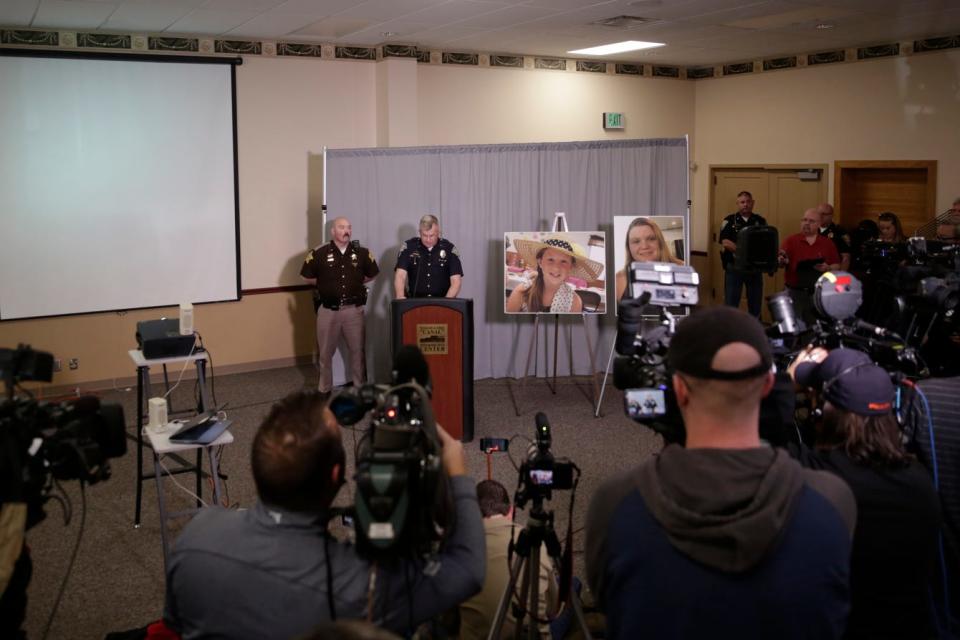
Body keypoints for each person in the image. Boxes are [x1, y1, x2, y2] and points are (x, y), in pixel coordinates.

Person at [585, 306, 856, 640]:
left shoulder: (614, 504)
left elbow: (608, 601)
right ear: (769, 385)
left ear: (680, 390)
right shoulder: (833, 501)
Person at [163, 391, 484, 639]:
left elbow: (174, 625)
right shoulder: (366, 584)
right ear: (336, 475)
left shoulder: (195, 535)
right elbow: (467, 569)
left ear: (257, 467)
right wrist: (456, 471)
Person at [788, 348, 943, 640]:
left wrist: (786, 383)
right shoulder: (920, 482)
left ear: (823, 411)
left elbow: (744, 440)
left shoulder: (813, 476)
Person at [458, 480, 558, 640]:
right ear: (510, 511)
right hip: (532, 635)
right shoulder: (536, 542)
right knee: (570, 585)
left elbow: (445, 616)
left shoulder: (460, 548)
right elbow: (554, 609)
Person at [301, 217, 379, 395]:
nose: (347, 231)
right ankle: (324, 390)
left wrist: (356, 283)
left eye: (349, 227)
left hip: (353, 311)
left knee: (358, 352)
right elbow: (307, 277)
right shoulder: (319, 253)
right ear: (333, 231)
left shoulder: (362, 253)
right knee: (325, 355)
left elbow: (372, 274)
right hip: (329, 311)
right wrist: (325, 285)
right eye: (342, 227)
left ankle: (360, 390)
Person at [506, 236, 603, 313]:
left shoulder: (574, 302)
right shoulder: (522, 292)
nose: (556, 268)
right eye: (550, 260)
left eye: (564, 261)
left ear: (571, 267)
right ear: (540, 262)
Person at [778, 208, 841, 325]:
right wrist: (782, 261)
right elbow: (780, 263)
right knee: (793, 328)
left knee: (814, 328)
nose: (806, 223)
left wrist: (828, 268)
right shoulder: (790, 241)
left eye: (811, 221)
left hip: (817, 293)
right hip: (794, 292)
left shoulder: (827, 243)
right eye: (804, 220)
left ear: (819, 224)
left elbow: (837, 265)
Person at [718, 191, 768, 318]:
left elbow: (765, 243)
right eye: (742, 202)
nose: (745, 204)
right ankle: (730, 331)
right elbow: (726, 242)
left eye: (748, 202)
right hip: (735, 268)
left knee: (755, 303)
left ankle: (753, 331)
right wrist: (745, 252)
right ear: (738, 204)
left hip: (754, 269)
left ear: (753, 203)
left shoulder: (760, 221)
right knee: (731, 303)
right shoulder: (729, 220)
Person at [394, 215, 463, 299]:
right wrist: (400, 298)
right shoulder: (409, 247)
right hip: (414, 303)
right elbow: (400, 275)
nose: (428, 239)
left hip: (443, 301)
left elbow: (456, 282)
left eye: (431, 235)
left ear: (438, 232)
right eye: (424, 235)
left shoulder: (449, 249)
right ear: (419, 232)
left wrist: (445, 305)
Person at [615, 217, 683, 300]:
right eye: (636, 241)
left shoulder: (683, 269)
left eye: (651, 239)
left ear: (660, 242)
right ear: (629, 248)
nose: (644, 246)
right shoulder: (619, 279)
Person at [817, 203, 851, 271]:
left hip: (832, 270)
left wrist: (841, 277)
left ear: (831, 216)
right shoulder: (813, 230)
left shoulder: (839, 232)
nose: (820, 216)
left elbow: (846, 258)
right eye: (818, 213)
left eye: (824, 214)